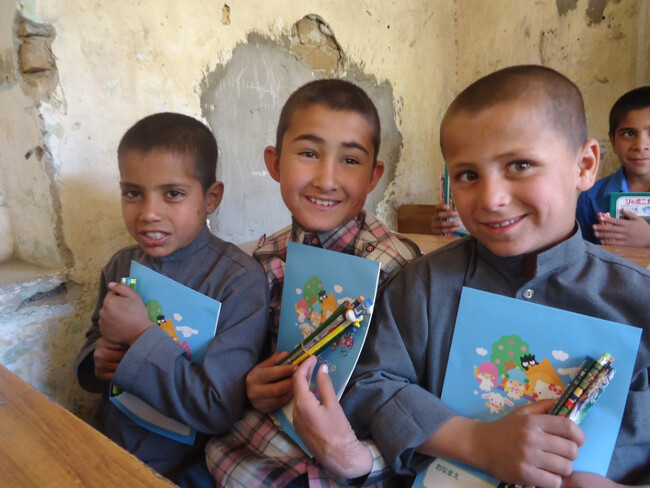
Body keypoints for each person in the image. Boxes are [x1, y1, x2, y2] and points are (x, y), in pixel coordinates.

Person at [292, 66, 650, 488]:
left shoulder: (637, 300)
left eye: (520, 165)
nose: (491, 198)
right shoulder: (425, 284)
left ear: (584, 166)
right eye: (468, 175)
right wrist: (478, 443)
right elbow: (374, 382)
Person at [205, 79, 421, 487]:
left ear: (374, 176)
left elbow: (413, 402)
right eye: (308, 153)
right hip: (238, 461)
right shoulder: (261, 262)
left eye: (350, 160)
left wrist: (359, 460)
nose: (326, 179)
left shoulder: (397, 269)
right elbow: (231, 367)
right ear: (275, 164)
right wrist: (248, 387)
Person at [74, 112, 269, 485]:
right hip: (104, 442)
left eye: (173, 194)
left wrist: (140, 335)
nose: (149, 213)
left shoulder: (238, 282)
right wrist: (95, 360)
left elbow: (218, 408)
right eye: (133, 193)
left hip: (180, 468)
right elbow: (95, 342)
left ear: (211, 198)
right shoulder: (121, 265)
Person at [577, 86, 650, 246]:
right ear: (613, 141)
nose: (640, 145)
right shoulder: (590, 197)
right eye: (629, 133)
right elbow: (581, 254)